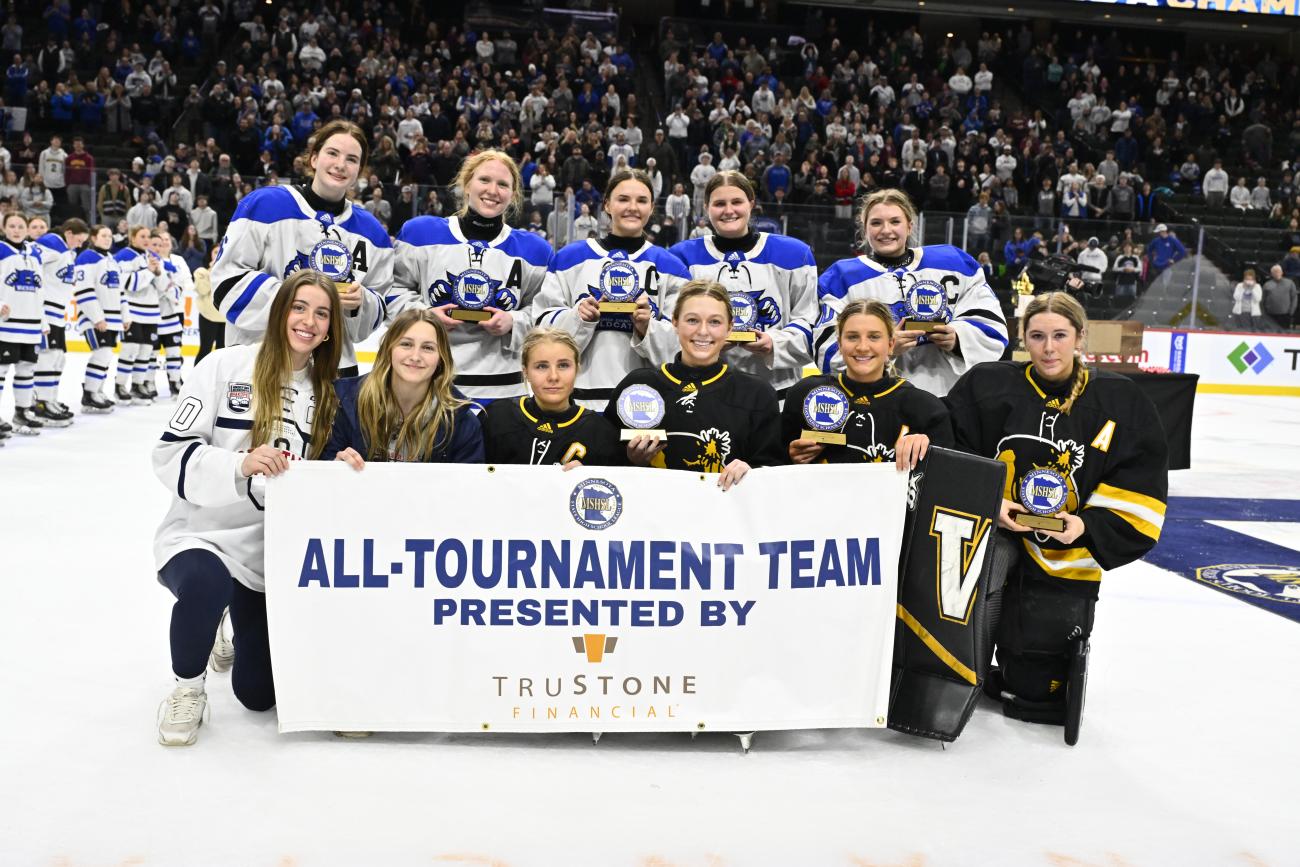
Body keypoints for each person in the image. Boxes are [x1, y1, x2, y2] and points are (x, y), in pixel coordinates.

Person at [945, 291, 1167, 732]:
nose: (1049, 348)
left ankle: (1017, 667)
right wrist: (991, 502)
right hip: (995, 533)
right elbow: (950, 446)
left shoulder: (1120, 401)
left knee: (1030, 696)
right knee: (962, 611)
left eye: (1060, 336)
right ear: (1023, 339)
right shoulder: (987, 385)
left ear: (1080, 338)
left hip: (1064, 550)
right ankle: (959, 665)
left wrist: (1086, 525)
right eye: (1038, 336)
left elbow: (1141, 480)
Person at [152, 271, 343, 746]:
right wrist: (240, 464)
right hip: (203, 536)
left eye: (322, 313)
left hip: (266, 554)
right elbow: (169, 453)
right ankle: (187, 688)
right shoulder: (223, 366)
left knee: (259, 695)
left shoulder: (332, 394)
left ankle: (232, 622)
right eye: (299, 307)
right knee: (205, 584)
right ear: (280, 311)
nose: (309, 321)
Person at [211, 119, 393, 378]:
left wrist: (360, 303)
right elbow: (225, 284)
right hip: (258, 364)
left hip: (332, 371)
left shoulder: (373, 233)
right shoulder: (264, 205)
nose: (341, 164)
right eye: (332, 153)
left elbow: (374, 314)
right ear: (314, 159)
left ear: (359, 171)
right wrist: (300, 300)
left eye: (352, 159)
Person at [386, 149, 551, 405]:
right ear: (466, 184)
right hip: (429, 380)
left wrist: (513, 320)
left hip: (501, 389)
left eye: (503, 184)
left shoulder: (535, 250)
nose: (493, 190)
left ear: (514, 194)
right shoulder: (420, 234)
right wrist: (425, 317)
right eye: (484, 180)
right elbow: (391, 291)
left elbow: (546, 312)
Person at [815, 188, 1008, 397]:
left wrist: (958, 338)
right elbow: (826, 350)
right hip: (877, 400)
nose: (886, 230)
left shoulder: (954, 263)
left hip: (949, 395)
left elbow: (992, 325)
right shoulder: (841, 277)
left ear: (910, 226)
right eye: (876, 223)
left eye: (895, 222)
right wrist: (884, 348)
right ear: (865, 229)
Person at [533, 169, 691, 411]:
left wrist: (647, 328)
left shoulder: (671, 267)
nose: (632, 207)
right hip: (577, 397)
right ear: (607, 204)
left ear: (651, 208)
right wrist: (579, 317)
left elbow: (682, 346)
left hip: (645, 402)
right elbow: (541, 324)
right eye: (623, 199)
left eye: (641, 200)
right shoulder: (569, 258)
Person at [603, 280, 782, 490]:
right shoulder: (639, 385)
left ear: (730, 327)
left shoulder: (756, 394)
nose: (703, 331)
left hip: (723, 519)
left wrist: (751, 471)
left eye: (715, 322)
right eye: (692, 320)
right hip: (652, 517)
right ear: (675, 322)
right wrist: (632, 460)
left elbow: (774, 477)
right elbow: (602, 460)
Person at [669, 171, 818, 400]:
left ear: (751, 203)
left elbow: (809, 319)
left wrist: (775, 343)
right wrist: (707, 340)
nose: (729, 211)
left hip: (777, 394)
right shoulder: (681, 257)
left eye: (736, 202)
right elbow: (671, 324)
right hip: (702, 394)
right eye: (719, 203)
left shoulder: (794, 254)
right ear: (706, 206)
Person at [784, 299, 952, 467]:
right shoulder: (803, 395)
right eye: (852, 337)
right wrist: (789, 457)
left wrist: (929, 450)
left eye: (874, 337)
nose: (863, 347)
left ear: (891, 344)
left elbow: (945, 479)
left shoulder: (925, 408)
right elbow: (773, 466)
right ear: (840, 344)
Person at [326, 308, 483, 466]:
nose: (415, 357)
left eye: (428, 348)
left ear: (441, 358)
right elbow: (322, 472)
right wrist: (334, 465)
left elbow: (468, 488)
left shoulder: (461, 423)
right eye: (406, 344)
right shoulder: (349, 403)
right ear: (389, 349)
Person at [481, 327, 620, 466]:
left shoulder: (601, 432)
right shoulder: (496, 417)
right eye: (541, 366)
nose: (553, 377)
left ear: (577, 369)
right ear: (525, 372)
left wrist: (589, 477)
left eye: (563, 365)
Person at [31, 216, 88, 426]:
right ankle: (40, 402)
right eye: (79, 240)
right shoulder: (53, 242)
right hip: (46, 310)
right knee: (47, 357)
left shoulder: (66, 250)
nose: (80, 245)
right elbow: (30, 261)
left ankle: (50, 398)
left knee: (58, 357)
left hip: (58, 313)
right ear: (70, 233)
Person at [0, 212, 47, 438]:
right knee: (1, 370)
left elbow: (41, 289)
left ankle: (22, 411)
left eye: (20, 226)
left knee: (26, 370)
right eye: (12, 226)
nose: (16, 230)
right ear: (4, 227)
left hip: (31, 324)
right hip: (5, 324)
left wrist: (43, 319)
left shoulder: (34, 253)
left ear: (27, 229)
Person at [71, 224, 123, 412]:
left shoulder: (111, 260)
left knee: (106, 356)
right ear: (93, 238)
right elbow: (83, 290)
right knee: (102, 353)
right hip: (96, 319)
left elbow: (120, 291)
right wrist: (97, 317)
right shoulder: (86, 257)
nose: (108, 238)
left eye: (109, 235)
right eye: (103, 235)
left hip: (113, 319)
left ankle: (98, 390)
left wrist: (125, 315)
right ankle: (89, 394)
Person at [114, 224, 165, 405]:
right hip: (132, 310)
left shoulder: (152, 257)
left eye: (147, 236)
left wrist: (157, 273)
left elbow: (163, 287)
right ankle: (120, 386)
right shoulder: (123, 256)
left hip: (151, 311)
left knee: (146, 351)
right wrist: (149, 272)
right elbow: (129, 284)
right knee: (130, 349)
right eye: (141, 236)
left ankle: (137, 384)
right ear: (132, 238)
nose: (146, 240)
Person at [151, 229, 194, 396]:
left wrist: (178, 290)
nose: (165, 242)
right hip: (156, 311)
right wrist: (172, 287)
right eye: (161, 239)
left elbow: (187, 282)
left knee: (175, 348)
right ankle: (149, 382)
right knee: (153, 350)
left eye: (167, 239)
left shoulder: (178, 260)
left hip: (177, 310)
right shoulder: (152, 260)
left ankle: (175, 379)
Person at [193, 244, 223, 363]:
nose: (218, 254)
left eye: (220, 252)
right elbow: (203, 290)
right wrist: (213, 271)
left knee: (223, 351)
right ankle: (197, 379)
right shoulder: (202, 272)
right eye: (215, 252)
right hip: (208, 316)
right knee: (205, 349)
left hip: (225, 318)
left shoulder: (231, 273)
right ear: (211, 254)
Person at [1262, 265, 1296, 332]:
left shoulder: (1290, 283)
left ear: (1282, 272)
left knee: (1284, 335)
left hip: (1285, 315)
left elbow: (1294, 298)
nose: (1276, 273)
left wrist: (1291, 311)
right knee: (1270, 335)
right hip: (1270, 315)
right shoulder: (1267, 284)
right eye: (1274, 272)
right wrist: (1264, 313)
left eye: (1278, 271)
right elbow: (1263, 300)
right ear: (1271, 274)